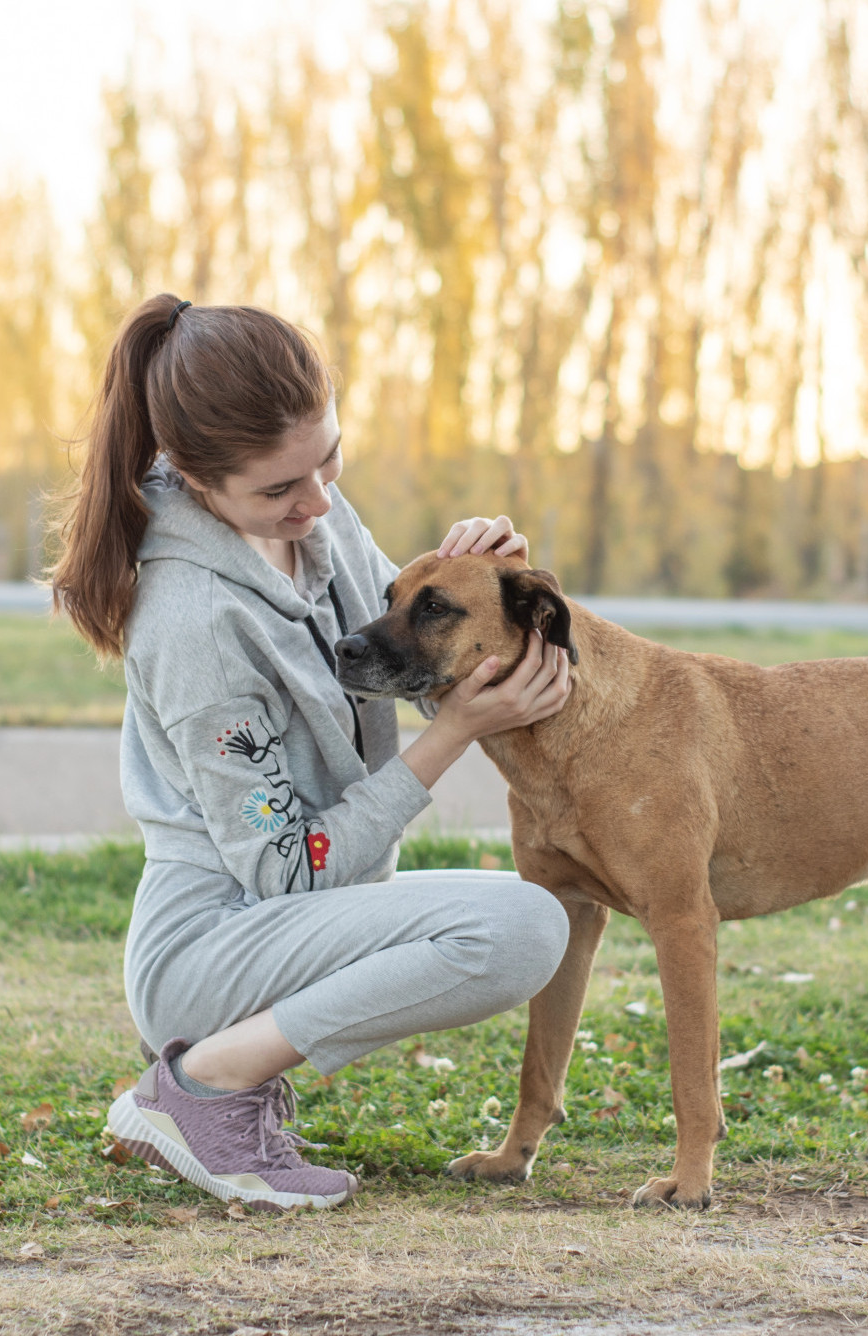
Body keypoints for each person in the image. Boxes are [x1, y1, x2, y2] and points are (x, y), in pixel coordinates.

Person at [50, 294, 573, 1212]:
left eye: (329, 458)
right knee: (519, 931)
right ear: (197, 476)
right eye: (281, 489)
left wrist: (481, 575)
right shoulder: (195, 625)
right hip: (211, 945)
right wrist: (451, 738)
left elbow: (404, 645)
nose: (319, 500)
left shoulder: (309, 519)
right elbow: (285, 871)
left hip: (290, 923)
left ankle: (226, 1075)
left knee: (537, 912)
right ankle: (202, 1084)